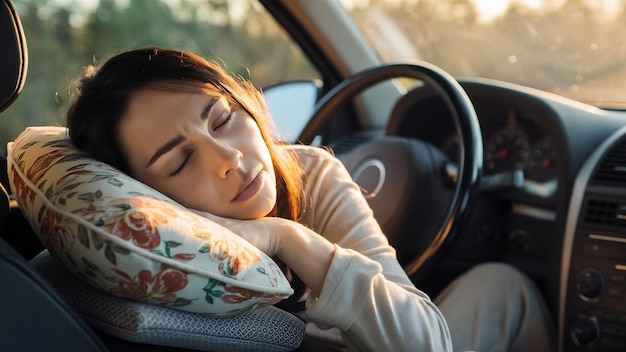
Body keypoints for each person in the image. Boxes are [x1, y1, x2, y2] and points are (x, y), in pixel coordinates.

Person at [66, 47, 555, 352]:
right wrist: (289, 237)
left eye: (222, 118)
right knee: (505, 289)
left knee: (497, 282)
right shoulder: (156, 243)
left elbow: (423, 335)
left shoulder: (310, 171)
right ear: (144, 193)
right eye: (179, 162)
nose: (229, 158)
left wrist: (289, 237)